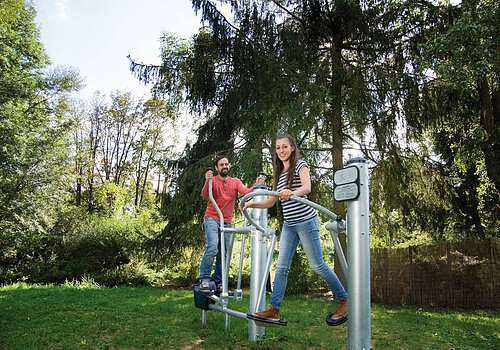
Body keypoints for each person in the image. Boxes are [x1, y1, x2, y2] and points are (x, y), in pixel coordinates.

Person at [239, 133, 348, 326]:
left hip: (306, 221)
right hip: (289, 225)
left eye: (284, 147)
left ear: (292, 148)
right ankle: (274, 309)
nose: (281, 151)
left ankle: (344, 299)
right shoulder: (279, 174)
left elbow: (307, 187)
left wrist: (292, 192)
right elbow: (272, 201)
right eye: (278, 147)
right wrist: (250, 206)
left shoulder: (300, 165)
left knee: (317, 265)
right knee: (281, 267)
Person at [198, 155, 264, 293]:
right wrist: (207, 180)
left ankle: (219, 282)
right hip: (212, 218)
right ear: (216, 168)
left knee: (225, 253)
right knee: (212, 247)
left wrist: (256, 185)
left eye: (226, 164)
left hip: (227, 221)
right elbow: (205, 195)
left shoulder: (235, 182)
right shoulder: (213, 180)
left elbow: (246, 192)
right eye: (221, 164)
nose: (225, 166)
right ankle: (204, 279)